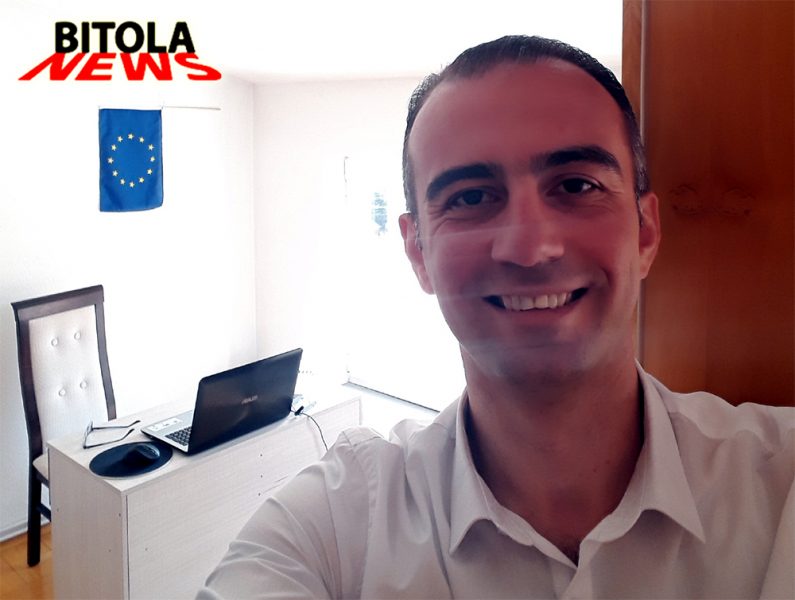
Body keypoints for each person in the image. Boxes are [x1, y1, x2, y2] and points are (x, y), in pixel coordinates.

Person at [199, 36, 794, 599]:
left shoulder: (781, 484)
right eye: (470, 197)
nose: (530, 248)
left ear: (644, 232)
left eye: (576, 185)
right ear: (418, 252)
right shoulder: (332, 527)